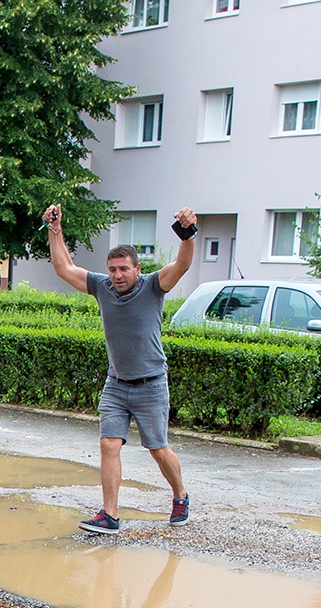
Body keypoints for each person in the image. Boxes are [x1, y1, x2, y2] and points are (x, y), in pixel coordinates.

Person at [43, 203, 198, 533]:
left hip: (151, 383)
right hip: (117, 383)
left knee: (158, 449)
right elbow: (64, 268)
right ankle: (109, 515)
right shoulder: (102, 287)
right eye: (112, 269)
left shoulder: (154, 286)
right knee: (108, 444)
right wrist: (54, 229)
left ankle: (180, 494)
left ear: (137, 269)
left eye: (123, 269)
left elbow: (182, 264)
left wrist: (188, 233)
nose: (117, 275)